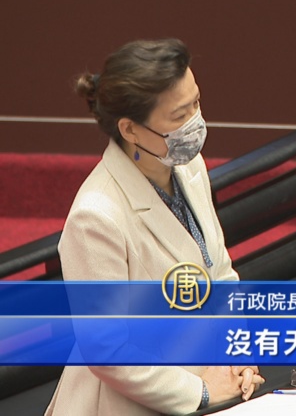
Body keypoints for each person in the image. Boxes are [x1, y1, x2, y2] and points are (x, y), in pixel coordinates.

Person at [45, 39, 264, 416]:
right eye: (179, 116)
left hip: (211, 383)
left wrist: (237, 354)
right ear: (130, 129)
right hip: (131, 404)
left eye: (196, 103)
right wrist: (202, 391)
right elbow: (108, 350)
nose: (195, 122)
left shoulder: (188, 166)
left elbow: (219, 273)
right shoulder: (96, 216)